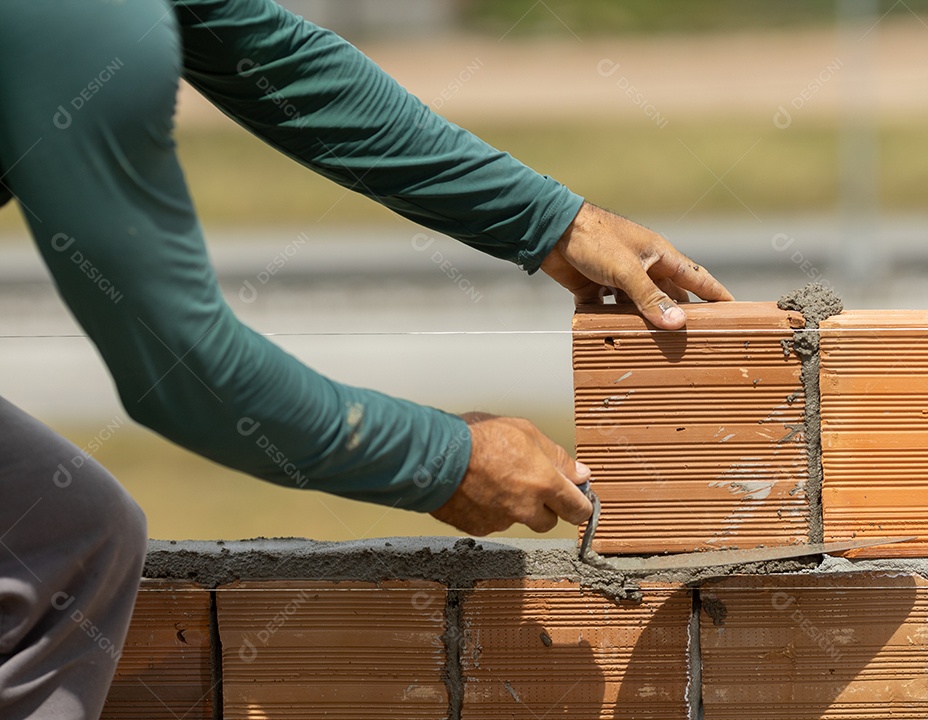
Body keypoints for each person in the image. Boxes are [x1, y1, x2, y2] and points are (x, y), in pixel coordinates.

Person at [0, 0, 731, 717]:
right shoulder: (73, 18)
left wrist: (552, 221)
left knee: (70, 538)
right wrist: (447, 461)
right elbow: (181, 369)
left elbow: (283, 68)